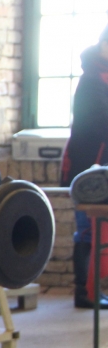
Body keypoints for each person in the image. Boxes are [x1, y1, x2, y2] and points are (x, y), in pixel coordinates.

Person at [60, 25, 108, 308]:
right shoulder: (91, 80)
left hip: (100, 165)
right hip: (89, 167)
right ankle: (85, 292)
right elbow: (97, 125)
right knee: (88, 230)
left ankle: (94, 290)